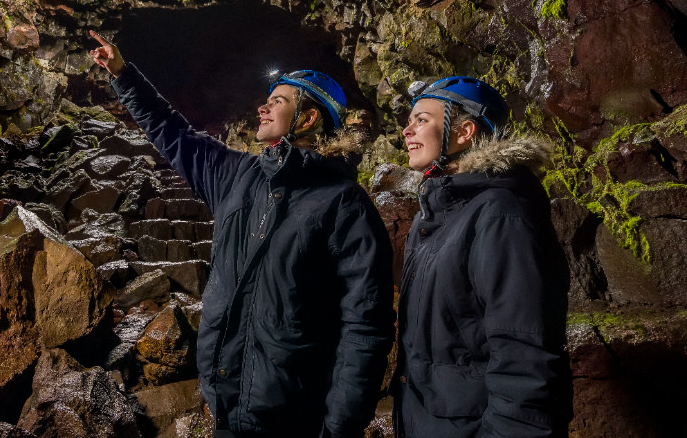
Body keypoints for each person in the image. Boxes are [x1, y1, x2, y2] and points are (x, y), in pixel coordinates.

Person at [89, 30, 394, 438]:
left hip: (295, 416)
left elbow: (365, 327)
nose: (262, 107)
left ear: (307, 118)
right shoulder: (238, 175)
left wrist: (339, 428)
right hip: (227, 402)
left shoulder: (345, 205)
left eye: (278, 101)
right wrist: (122, 73)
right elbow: (173, 133)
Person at [393, 77, 571, 438]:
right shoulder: (434, 215)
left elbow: (525, 357)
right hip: (427, 419)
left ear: (465, 131)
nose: (406, 131)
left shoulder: (502, 216)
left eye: (422, 120)